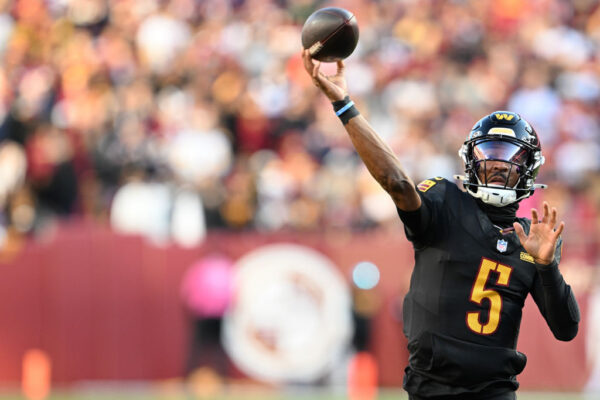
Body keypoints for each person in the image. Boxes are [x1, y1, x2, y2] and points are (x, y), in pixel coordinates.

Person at [301, 50, 580, 400]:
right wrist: (344, 104)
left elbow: (567, 328)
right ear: (470, 158)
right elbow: (396, 182)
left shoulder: (533, 237)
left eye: (509, 156)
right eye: (489, 152)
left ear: (529, 169)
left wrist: (547, 266)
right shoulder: (446, 201)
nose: (497, 163)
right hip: (427, 391)